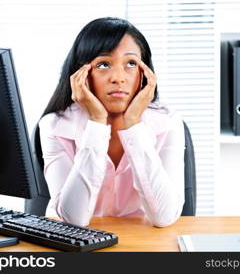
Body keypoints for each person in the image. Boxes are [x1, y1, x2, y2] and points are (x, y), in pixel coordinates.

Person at [40, 17, 185, 227]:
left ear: (145, 74)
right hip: (75, 246)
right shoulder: (55, 126)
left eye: (131, 64)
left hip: (143, 245)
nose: (118, 77)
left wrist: (134, 123)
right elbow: (74, 219)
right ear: (80, 75)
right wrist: (97, 122)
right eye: (103, 64)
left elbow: (163, 217)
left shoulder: (168, 121)